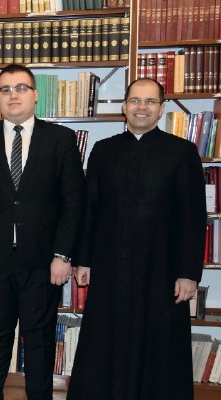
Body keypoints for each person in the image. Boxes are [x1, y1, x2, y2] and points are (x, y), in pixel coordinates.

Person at [66, 78, 207, 400]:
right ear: (124, 106)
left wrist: (189, 273)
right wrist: (83, 259)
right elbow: (91, 210)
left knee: (158, 340)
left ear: (161, 108)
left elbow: (193, 218)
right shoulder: (104, 150)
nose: (141, 107)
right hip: (110, 265)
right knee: (106, 336)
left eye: (150, 102)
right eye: (135, 101)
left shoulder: (182, 152)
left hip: (162, 269)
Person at [0, 64, 85, 400]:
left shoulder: (61, 139)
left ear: (35, 94)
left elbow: (73, 203)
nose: (12, 95)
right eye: (5, 89)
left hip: (43, 262)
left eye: (20, 88)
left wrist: (62, 255)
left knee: (39, 336)